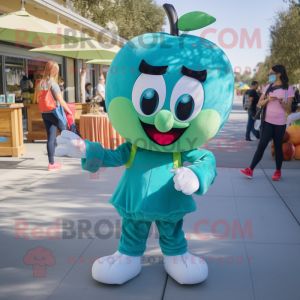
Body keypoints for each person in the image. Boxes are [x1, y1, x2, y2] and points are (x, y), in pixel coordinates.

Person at [240, 65, 294, 181]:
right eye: (269, 73)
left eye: (271, 73)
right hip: (267, 122)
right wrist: (268, 100)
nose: (270, 75)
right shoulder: (268, 87)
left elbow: (288, 109)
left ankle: (278, 171)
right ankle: (250, 169)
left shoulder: (288, 89)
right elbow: (259, 103)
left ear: (279, 74)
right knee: (261, 146)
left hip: (280, 123)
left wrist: (281, 102)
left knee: (278, 147)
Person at [38, 61, 73, 171]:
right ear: (55, 71)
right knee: (67, 134)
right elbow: (61, 101)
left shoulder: (41, 83)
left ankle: (51, 163)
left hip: (45, 113)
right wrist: (70, 112)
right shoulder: (54, 85)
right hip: (55, 112)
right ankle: (78, 153)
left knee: (50, 138)